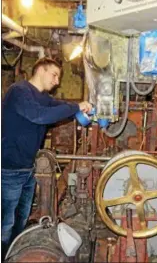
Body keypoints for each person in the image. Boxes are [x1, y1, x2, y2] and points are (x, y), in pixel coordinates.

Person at [1, 57, 92, 259]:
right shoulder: (19, 92)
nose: (57, 81)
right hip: (8, 169)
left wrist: (79, 106)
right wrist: (76, 108)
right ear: (41, 70)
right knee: (5, 223)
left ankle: (15, 254)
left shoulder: (40, 96)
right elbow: (39, 116)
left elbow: (57, 106)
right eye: (54, 74)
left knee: (21, 219)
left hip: (27, 168)